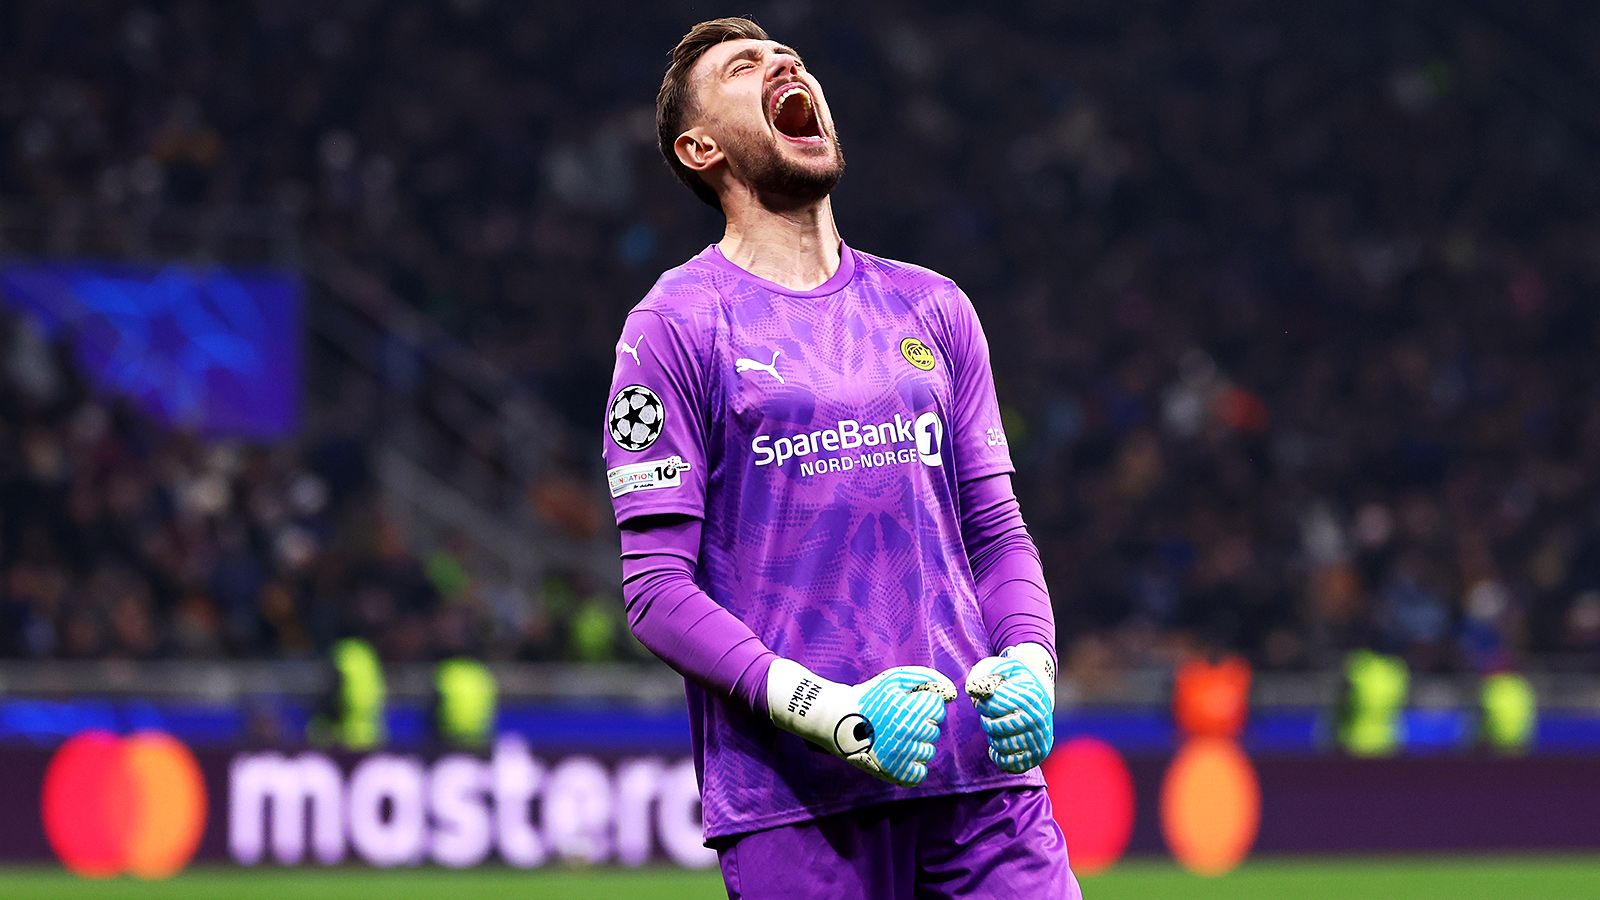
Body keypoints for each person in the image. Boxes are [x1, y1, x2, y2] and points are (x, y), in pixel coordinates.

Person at [602, 17, 1077, 898]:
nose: (784, 62)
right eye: (744, 66)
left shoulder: (932, 307)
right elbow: (657, 591)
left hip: (981, 782)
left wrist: (1031, 662)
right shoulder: (677, 326)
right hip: (799, 801)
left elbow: (998, 535)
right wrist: (837, 716)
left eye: (789, 56)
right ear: (701, 149)